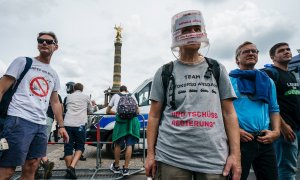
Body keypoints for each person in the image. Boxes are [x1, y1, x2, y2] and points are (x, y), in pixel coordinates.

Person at [145, 10, 241, 180]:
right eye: (186, 30)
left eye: (197, 29)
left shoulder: (217, 68)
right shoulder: (164, 72)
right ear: (176, 36)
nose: (193, 34)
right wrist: (150, 155)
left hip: (213, 159)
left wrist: (235, 156)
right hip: (171, 157)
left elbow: (229, 113)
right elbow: (153, 116)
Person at [0, 31, 69, 180]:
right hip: (18, 119)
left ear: (55, 47)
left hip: (40, 124)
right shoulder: (23, 62)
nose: (44, 43)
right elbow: (1, 88)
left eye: (49, 41)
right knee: (7, 169)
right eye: (40, 40)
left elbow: (55, 101)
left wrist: (62, 126)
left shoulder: (54, 74)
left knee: (32, 166)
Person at [229, 41, 281, 180]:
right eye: (246, 51)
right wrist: (236, 131)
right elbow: (220, 111)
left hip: (265, 139)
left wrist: (276, 132)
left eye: (254, 51)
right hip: (240, 140)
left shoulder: (267, 81)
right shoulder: (228, 80)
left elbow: (274, 108)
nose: (251, 53)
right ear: (237, 59)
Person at [265, 42, 300, 180]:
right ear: (273, 57)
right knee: (286, 169)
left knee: (290, 166)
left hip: (296, 127)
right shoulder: (271, 73)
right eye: (281, 51)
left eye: (288, 49)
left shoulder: (291, 75)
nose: (286, 52)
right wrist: (283, 126)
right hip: (285, 130)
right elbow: (268, 103)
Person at [106, 85, 140, 176]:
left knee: (117, 144)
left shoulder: (115, 96)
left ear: (120, 90)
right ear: (127, 90)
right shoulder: (132, 96)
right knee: (129, 145)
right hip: (131, 123)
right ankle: (126, 169)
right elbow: (138, 111)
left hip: (121, 123)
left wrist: (117, 112)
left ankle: (116, 166)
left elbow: (107, 111)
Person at [63, 83, 94, 179]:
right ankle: (71, 167)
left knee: (68, 147)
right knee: (80, 146)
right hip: (80, 124)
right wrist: (92, 105)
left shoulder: (68, 97)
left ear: (73, 88)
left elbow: (65, 108)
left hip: (67, 123)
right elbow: (91, 111)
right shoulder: (86, 97)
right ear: (82, 89)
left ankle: (70, 172)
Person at [34, 93, 63, 179]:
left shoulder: (36, 91)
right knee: (41, 144)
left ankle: (37, 169)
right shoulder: (57, 95)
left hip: (34, 117)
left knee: (34, 143)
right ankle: (44, 163)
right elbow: (60, 108)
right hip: (48, 118)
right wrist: (60, 122)